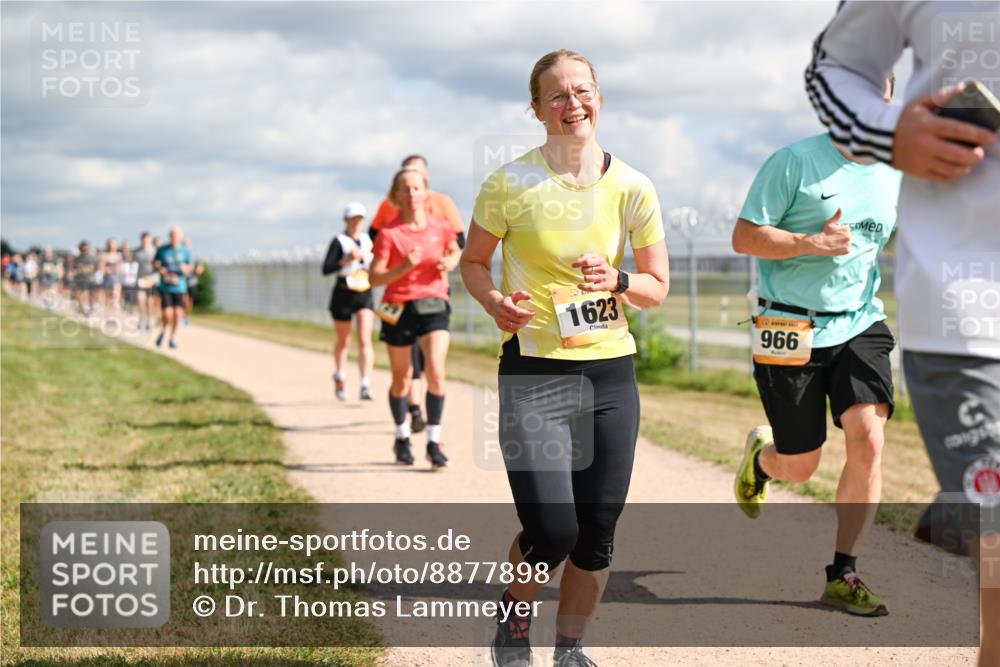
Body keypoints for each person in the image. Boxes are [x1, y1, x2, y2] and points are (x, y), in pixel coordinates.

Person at [460, 49, 669, 667]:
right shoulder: (509, 183)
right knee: (554, 530)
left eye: (582, 90)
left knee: (596, 535)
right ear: (536, 109)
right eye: (556, 95)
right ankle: (514, 620)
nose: (571, 103)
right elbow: (472, 262)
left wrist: (618, 280)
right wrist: (497, 301)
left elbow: (656, 288)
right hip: (535, 375)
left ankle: (570, 648)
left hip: (610, 373)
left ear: (599, 96)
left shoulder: (633, 185)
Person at [805, 2, 999, 661]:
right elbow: (835, 68)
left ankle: (961, 510)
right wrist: (890, 131)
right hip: (969, 311)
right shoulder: (799, 171)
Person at [732, 74, 902, 617]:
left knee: (869, 439)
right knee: (801, 465)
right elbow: (745, 236)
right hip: (790, 327)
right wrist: (812, 242)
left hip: (860, 322)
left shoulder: (898, 172)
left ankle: (843, 572)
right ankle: (763, 461)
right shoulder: (794, 161)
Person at [369, 167, 460, 468]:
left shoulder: (440, 226)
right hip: (398, 308)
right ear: (396, 195)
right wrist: (403, 268)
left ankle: (434, 440)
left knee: (435, 369)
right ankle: (402, 436)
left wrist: (451, 260)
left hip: (434, 303)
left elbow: (454, 251)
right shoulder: (389, 234)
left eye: (416, 188)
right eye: (404, 189)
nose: (411, 194)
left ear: (426, 191)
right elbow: (373, 278)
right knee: (402, 378)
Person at [322, 202, 376, 401]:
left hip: (364, 292)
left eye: (360, 218)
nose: (357, 222)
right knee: (344, 340)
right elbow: (326, 268)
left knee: (364, 339)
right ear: (346, 220)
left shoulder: (369, 240)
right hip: (343, 292)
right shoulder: (339, 241)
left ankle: (365, 383)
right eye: (353, 219)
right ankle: (340, 374)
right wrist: (345, 259)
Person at [153, 226, 193, 349]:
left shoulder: (185, 251)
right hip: (166, 287)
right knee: (167, 314)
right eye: (172, 235)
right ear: (169, 236)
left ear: (180, 237)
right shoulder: (162, 250)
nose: (174, 238)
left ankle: (173, 338)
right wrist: (160, 269)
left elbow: (190, 266)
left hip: (179, 287)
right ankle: (163, 332)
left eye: (176, 235)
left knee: (177, 314)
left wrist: (185, 269)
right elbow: (155, 263)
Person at [134, 232, 159, 330]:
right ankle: (142, 320)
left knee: (149, 303)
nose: (145, 241)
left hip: (151, 279)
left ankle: (149, 321)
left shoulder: (155, 251)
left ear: (149, 240)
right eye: (143, 239)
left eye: (147, 239)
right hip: (140, 279)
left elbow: (159, 265)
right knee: (140, 301)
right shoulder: (137, 252)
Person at [99, 238, 123, 314]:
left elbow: (119, 267)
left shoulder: (119, 255)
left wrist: (111, 269)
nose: (111, 246)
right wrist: (108, 269)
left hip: (116, 279)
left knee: (115, 296)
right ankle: (108, 313)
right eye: (110, 244)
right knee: (106, 297)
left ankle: (115, 313)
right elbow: (101, 266)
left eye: (113, 245)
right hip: (106, 278)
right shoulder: (104, 255)